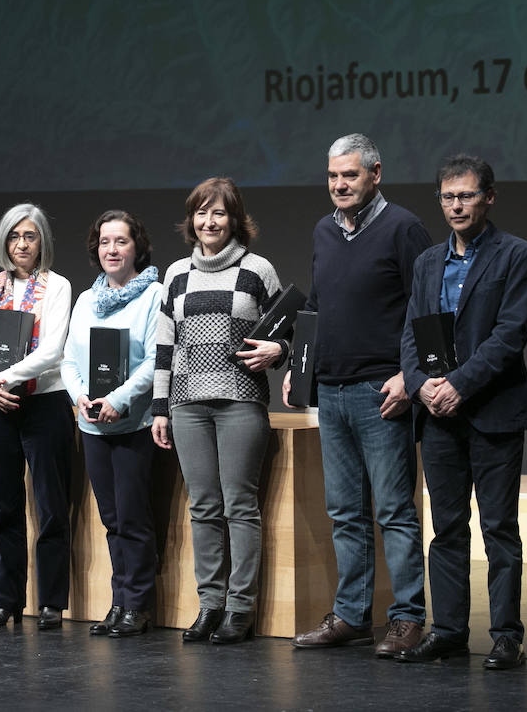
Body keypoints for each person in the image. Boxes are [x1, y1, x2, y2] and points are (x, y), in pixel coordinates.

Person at [289, 133, 431, 657]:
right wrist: (301, 369)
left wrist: (407, 376)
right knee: (345, 512)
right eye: (333, 176)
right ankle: (351, 615)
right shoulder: (324, 230)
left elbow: (425, 307)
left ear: (375, 174)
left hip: (382, 392)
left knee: (394, 510)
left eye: (350, 175)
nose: (340, 184)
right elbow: (319, 305)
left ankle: (408, 618)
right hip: (331, 390)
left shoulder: (403, 228)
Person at [396, 155, 527, 669]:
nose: (456, 205)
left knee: (500, 528)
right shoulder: (429, 261)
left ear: (489, 198)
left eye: (467, 195)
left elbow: (509, 336)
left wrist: (458, 384)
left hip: (493, 412)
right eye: (448, 197)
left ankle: (506, 636)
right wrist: (420, 386)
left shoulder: (516, 255)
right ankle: (450, 629)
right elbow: (412, 331)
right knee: (447, 529)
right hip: (438, 416)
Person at [152, 178, 287, 644]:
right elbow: (165, 346)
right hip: (186, 404)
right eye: (201, 213)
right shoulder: (174, 274)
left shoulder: (258, 270)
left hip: (240, 401)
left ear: (235, 219)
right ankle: (210, 604)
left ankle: (239, 609)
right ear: (191, 220)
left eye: (219, 213)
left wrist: (280, 350)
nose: (209, 222)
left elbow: (283, 337)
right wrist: (160, 408)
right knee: (204, 507)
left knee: (240, 507)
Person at [0, 204, 74, 629]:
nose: (21, 244)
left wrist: (2, 378)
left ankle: (51, 602)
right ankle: (7, 599)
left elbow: (51, 350)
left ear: (42, 241)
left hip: (44, 403)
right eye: (14, 236)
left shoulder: (57, 286)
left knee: (50, 506)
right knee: (4, 507)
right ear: (3, 242)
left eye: (30, 236)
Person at [61, 210, 163, 638]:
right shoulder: (86, 299)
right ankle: (119, 600)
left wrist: (120, 400)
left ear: (136, 246)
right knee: (112, 520)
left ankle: (137, 605)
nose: (112, 249)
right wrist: (79, 396)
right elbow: (68, 359)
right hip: (92, 426)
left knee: (134, 518)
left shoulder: (154, 295)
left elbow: (157, 358)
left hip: (134, 424)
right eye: (105, 241)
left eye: (121, 241)